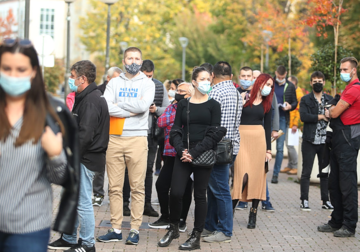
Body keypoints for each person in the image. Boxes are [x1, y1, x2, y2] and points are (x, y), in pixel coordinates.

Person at [0, 38, 69, 252]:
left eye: (21, 69)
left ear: (32, 72)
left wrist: (55, 154)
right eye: (6, 68)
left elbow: (62, 177)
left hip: (28, 227)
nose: (13, 75)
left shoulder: (47, 115)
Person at [158, 67, 225, 250]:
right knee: (177, 192)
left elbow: (213, 134)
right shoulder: (184, 104)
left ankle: (196, 235)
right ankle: (173, 228)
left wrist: (194, 153)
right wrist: (182, 151)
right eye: (201, 79)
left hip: (202, 154)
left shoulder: (214, 105)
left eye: (208, 79)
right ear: (194, 82)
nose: (206, 82)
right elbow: (175, 131)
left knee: (200, 195)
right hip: (183, 153)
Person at [50, 60, 110, 252]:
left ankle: (87, 244)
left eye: (72, 76)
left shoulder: (92, 100)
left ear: (82, 78)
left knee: (83, 202)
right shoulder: (86, 97)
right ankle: (68, 238)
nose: (70, 79)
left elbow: (85, 135)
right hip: (84, 157)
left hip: (86, 159)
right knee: (75, 198)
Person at [98, 47, 155, 245]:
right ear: (123, 60)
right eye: (130, 57)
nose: (133, 61)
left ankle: (135, 229)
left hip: (137, 139)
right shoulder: (113, 82)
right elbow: (106, 105)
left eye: (137, 58)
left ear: (141, 60)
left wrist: (120, 106)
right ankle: (115, 228)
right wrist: (130, 109)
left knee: (137, 187)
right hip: (114, 137)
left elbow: (143, 107)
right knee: (114, 187)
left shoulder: (148, 84)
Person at [122, 59, 169, 217]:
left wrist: (156, 109)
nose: (148, 79)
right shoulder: (131, 85)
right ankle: (124, 204)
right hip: (133, 132)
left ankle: (147, 204)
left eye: (150, 76)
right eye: (145, 75)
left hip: (152, 134)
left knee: (148, 170)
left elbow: (167, 110)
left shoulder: (159, 86)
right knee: (129, 168)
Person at [318, 57, 360, 237]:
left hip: (348, 139)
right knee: (334, 183)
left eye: (345, 70)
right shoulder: (347, 89)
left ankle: (349, 225)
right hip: (338, 139)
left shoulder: (355, 89)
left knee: (347, 184)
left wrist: (329, 110)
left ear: (353, 71)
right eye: (341, 69)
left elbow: (334, 112)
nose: (342, 72)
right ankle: (336, 221)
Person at [202, 61, 242, 243]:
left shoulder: (214, 92)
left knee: (221, 190)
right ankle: (210, 225)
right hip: (231, 146)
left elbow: (208, 121)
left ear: (213, 76)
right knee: (214, 189)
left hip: (216, 147)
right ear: (231, 76)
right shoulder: (236, 92)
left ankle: (225, 231)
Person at [149, 82, 194, 233]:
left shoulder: (192, 107)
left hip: (185, 154)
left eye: (182, 91)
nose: (178, 93)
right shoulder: (172, 107)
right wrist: (175, 113)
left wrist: (174, 119)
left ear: (190, 95)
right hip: (169, 152)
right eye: (177, 90)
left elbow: (184, 125)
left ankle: (181, 220)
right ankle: (165, 216)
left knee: (184, 189)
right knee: (161, 185)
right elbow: (161, 122)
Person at [232, 73, 274, 229]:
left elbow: (268, 126)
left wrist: (268, 150)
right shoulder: (243, 97)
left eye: (271, 86)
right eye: (266, 84)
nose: (268, 88)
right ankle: (230, 210)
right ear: (259, 83)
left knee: (257, 177)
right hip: (241, 139)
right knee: (241, 176)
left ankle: (253, 212)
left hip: (259, 140)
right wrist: (241, 102)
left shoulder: (267, 103)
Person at [299, 71, 333, 211]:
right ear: (311, 83)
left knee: (324, 172)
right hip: (309, 140)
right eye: (315, 81)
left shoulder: (330, 100)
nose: (317, 83)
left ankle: (325, 200)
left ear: (324, 82)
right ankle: (304, 200)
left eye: (320, 81)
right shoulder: (306, 99)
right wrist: (321, 116)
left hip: (325, 141)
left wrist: (329, 116)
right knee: (306, 172)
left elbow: (335, 116)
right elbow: (304, 116)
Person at [92, 66, 122, 207]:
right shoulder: (97, 91)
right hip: (101, 133)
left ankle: (114, 194)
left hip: (118, 132)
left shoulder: (122, 91)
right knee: (99, 166)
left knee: (117, 167)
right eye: (116, 78)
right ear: (108, 78)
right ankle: (98, 193)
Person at [271, 65, 298, 184]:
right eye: (278, 76)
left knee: (280, 148)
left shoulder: (290, 86)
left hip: (282, 118)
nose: (280, 78)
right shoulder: (270, 83)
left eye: (282, 77)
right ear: (275, 73)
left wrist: (290, 106)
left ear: (286, 74)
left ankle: (275, 174)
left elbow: (295, 102)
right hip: (269, 117)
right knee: (265, 145)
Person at [280, 75, 304, 175]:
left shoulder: (298, 93)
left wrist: (295, 124)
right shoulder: (292, 92)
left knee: (290, 145)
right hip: (288, 122)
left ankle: (295, 165)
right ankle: (290, 165)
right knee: (288, 144)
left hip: (292, 124)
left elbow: (298, 110)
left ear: (293, 83)